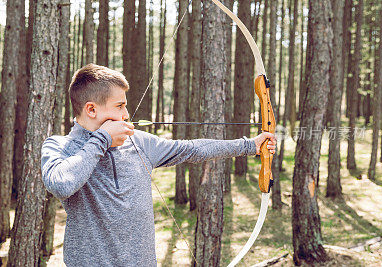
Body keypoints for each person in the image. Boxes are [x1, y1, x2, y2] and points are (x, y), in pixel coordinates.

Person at [41, 64, 276, 266]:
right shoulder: (60, 147)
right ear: (91, 109)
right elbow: (61, 184)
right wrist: (101, 139)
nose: (126, 114)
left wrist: (250, 146)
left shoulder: (138, 142)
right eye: (119, 106)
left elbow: (191, 149)